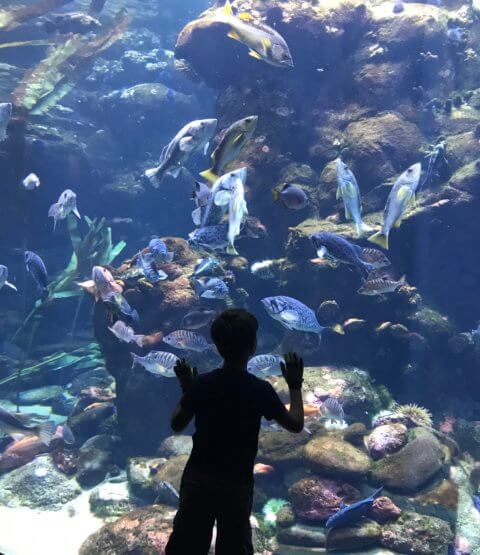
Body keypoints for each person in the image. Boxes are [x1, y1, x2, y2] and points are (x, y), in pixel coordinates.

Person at [165, 308, 304, 555]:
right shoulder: (259, 389)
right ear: (253, 346)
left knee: (187, 544)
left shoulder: (202, 384)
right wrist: (294, 384)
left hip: (199, 478)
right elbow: (295, 424)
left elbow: (177, 424)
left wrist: (187, 388)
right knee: (234, 545)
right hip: (236, 482)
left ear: (217, 347)